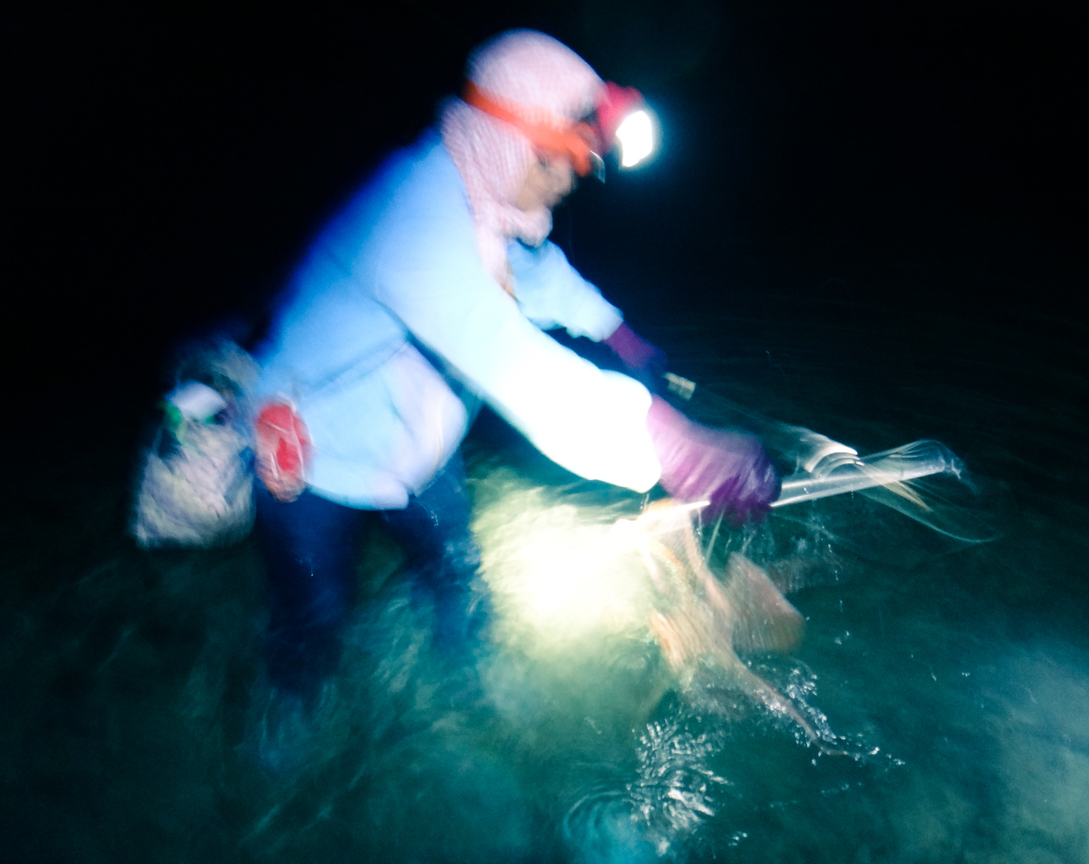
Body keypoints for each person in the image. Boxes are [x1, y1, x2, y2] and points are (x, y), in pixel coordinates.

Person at [247, 30, 780, 766]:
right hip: (315, 459)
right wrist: (676, 447)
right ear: (511, 141)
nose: (575, 181)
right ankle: (291, 700)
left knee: (456, 571)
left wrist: (620, 334)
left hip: (420, 448)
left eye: (588, 164)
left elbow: (540, 275)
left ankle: (469, 679)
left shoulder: (485, 208)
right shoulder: (409, 211)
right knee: (315, 606)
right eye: (569, 160)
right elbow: (508, 355)